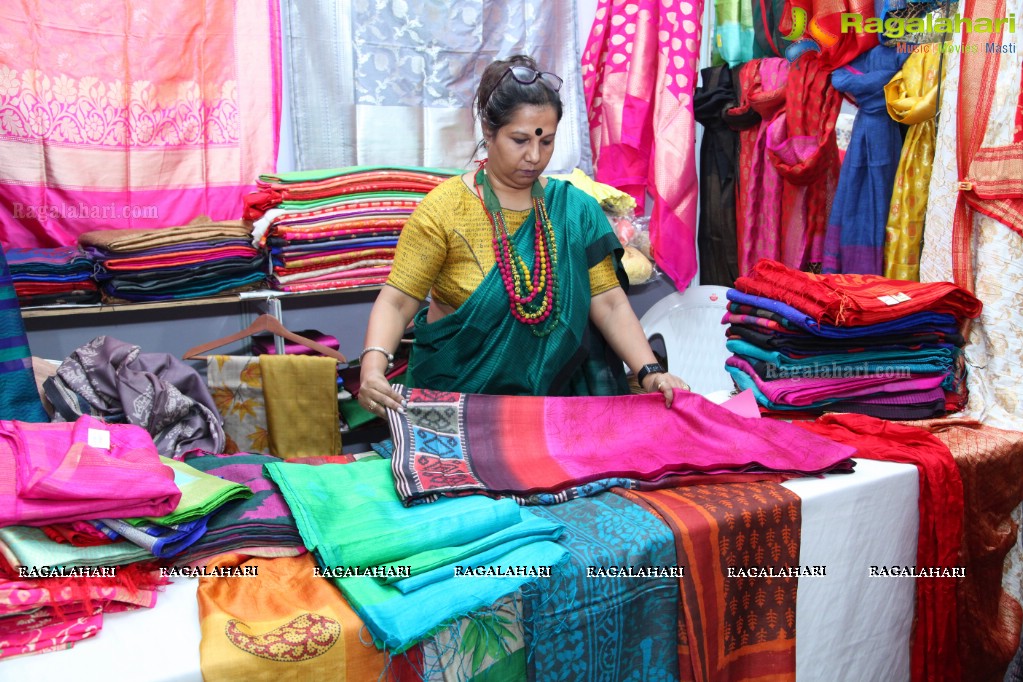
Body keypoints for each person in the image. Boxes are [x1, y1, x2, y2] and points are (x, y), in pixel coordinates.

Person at [358, 54, 689, 416]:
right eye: (520, 140)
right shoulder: (444, 210)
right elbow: (397, 300)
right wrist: (374, 368)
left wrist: (651, 373)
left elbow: (608, 303)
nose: (534, 156)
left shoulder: (574, 210)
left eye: (546, 142)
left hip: (551, 402)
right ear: (489, 131)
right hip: (454, 403)